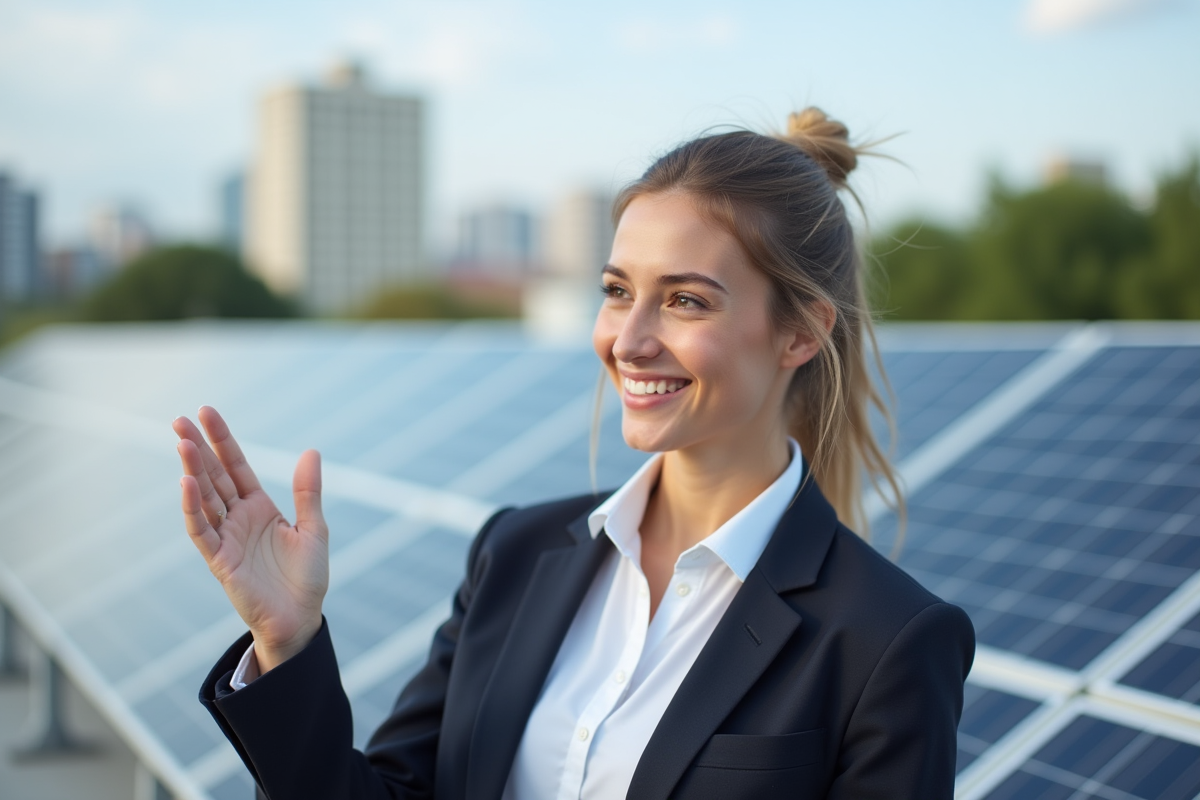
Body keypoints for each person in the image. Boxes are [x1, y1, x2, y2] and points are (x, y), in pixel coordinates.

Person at [175, 107, 975, 800]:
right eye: (618, 290)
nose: (628, 341)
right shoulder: (515, 555)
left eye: (686, 300)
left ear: (801, 332)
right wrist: (288, 642)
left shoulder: (888, 640)